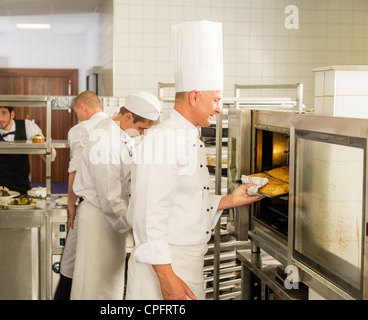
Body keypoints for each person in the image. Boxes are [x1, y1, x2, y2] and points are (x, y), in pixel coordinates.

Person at [125, 20, 264, 300]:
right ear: (194, 96)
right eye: (215, 99)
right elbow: (148, 215)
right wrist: (166, 278)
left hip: (184, 262)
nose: (219, 108)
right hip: (165, 266)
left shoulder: (191, 137)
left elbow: (185, 203)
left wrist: (229, 200)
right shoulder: (163, 139)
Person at [70, 92, 161, 300]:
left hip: (112, 218)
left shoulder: (120, 130)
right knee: (97, 287)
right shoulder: (105, 144)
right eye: (142, 129)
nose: (143, 134)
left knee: (110, 284)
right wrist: (136, 224)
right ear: (128, 117)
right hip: (101, 220)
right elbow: (110, 199)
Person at [55, 90, 108, 300]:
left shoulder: (81, 129)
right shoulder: (115, 127)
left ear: (82, 108)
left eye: (76, 111)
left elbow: (75, 169)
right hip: (114, 210)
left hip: (89, 207)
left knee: (70, 264)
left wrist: (70, 204)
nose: (77, 116)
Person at [0, 106, 56, 195]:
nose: (0, 118)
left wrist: (47, 147)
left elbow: (50, 157)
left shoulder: (28, 126)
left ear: (12, 114)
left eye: (4, 113)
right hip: (0, 192)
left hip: (24, 190)